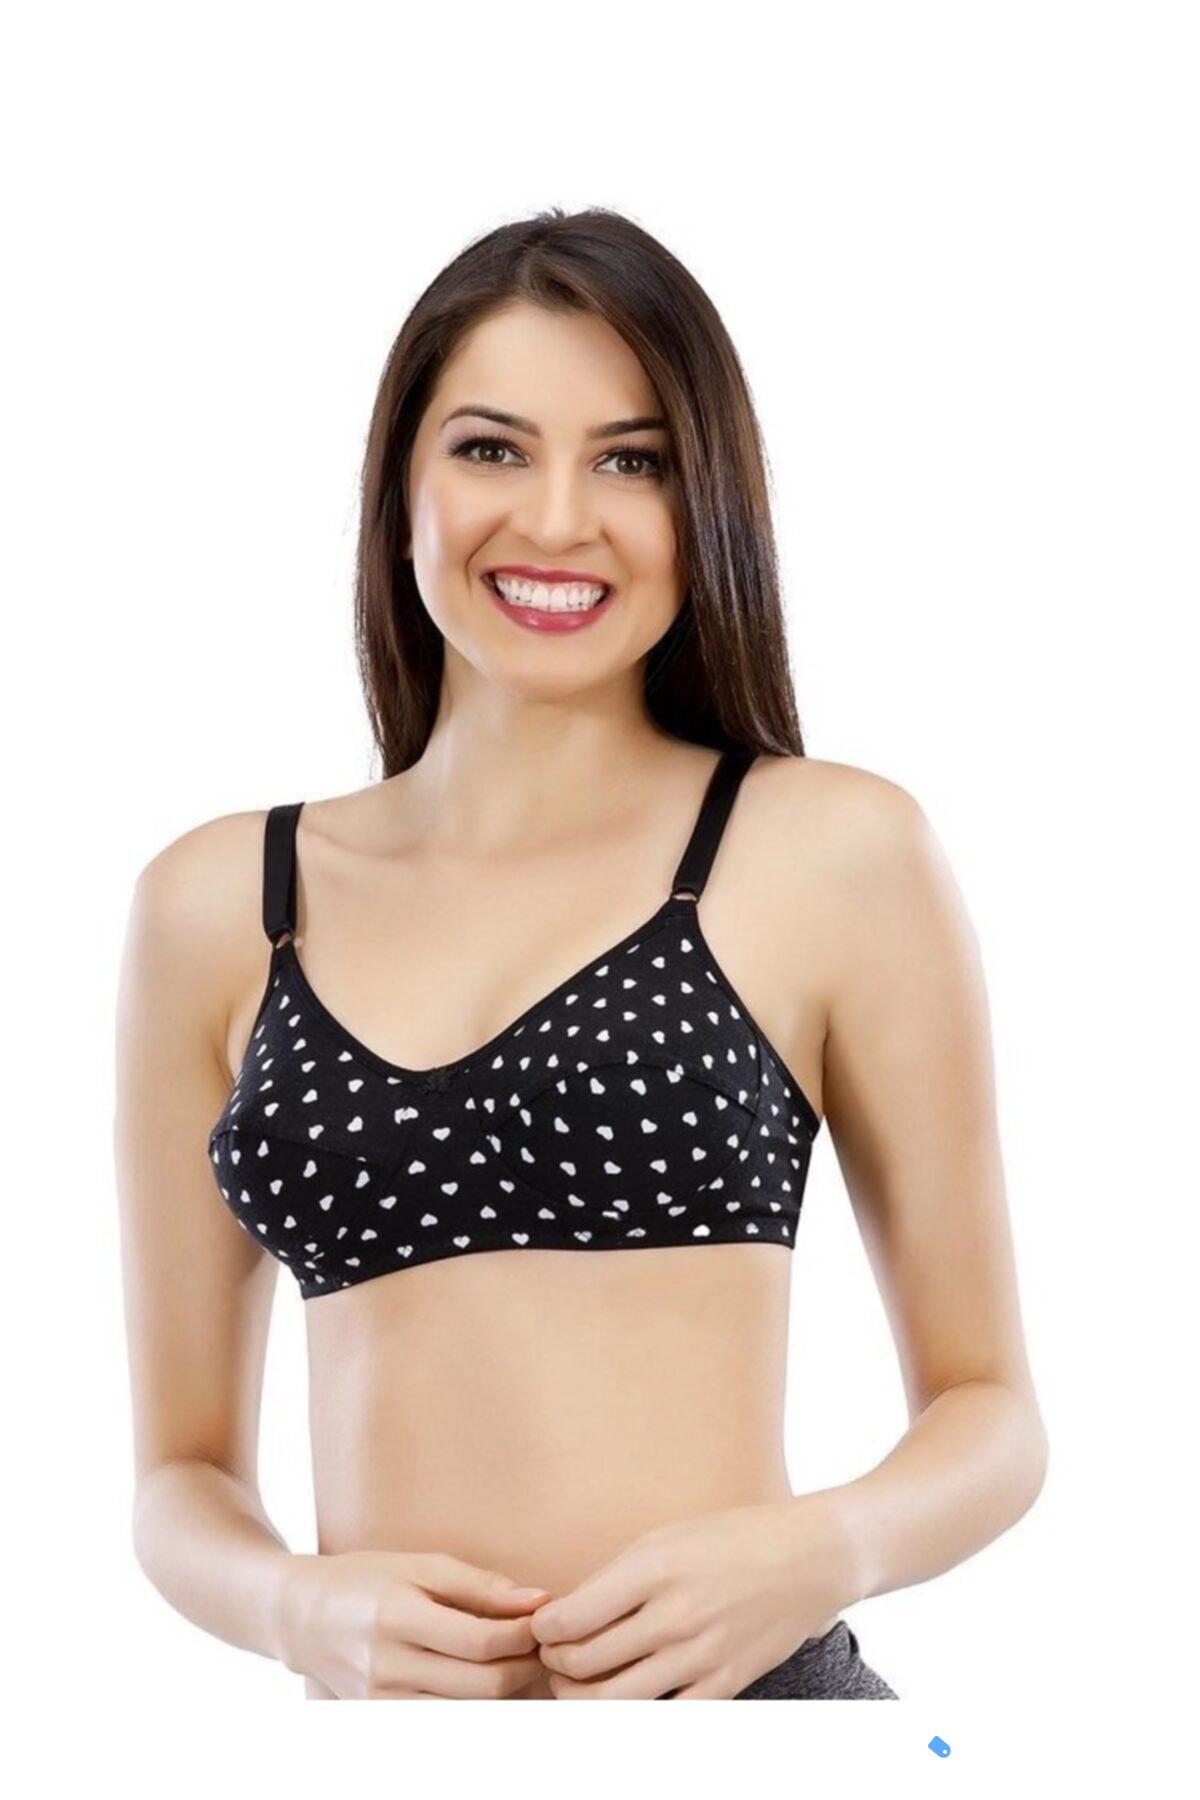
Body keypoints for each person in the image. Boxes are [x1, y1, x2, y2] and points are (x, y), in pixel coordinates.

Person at [115, 206, 1048, 1700]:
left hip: (752, 1737)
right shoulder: (220, 903)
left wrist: (821, 1552)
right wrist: (295, 1610)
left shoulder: (828, 852)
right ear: (400, 490)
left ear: (707, 504)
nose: (556, 521)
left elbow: (992, 1412)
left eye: (633, 461)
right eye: (492, 448)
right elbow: (181, 1477)